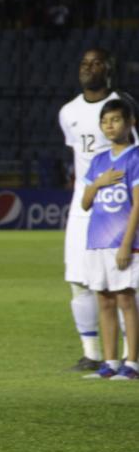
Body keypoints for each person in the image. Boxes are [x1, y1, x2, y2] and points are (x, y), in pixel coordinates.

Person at [59, 49, 138, 371]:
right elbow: (78, 157)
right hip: (84, 207)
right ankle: (92, 353)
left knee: (126, 285)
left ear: (109, 68)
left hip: (120, 208)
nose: (89, 68)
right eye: (84, 63)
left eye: (96, 63)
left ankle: (130, 357)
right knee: (80, 281)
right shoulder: (68, 112)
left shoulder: (125, 104)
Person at [80, 99, 139, 380]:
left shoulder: (135, 157)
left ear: (130, 123)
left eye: (115, 120)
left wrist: (127, 243)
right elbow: (85, 203)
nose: (109, 126)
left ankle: (132, 364)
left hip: (122, 241)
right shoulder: (99, 160)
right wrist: (97, 183)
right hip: (97, 241)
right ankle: (110, 363)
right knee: (104, 300)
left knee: (126, 300)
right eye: (105, 121)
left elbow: (138, 204)